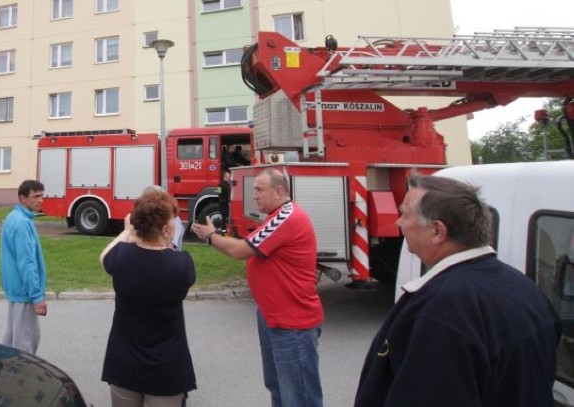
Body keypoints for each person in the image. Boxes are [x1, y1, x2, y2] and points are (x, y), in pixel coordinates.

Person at [353, 174, 562, 407]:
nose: (398, 223)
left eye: (404, 214)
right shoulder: (526, 289)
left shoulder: (439, 312)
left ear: (437, 231)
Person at [192, 168, 324, 407]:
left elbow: (240, 250)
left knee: (298, 397)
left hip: (291, 323)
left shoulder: (287, 217)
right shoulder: (276, 216)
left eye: (259, 189)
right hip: (274, 317)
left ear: (279, 191)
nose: (254, 195)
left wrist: (211, 237)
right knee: (280, 390)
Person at [100, 188, 197, 406]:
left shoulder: (121, 257)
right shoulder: (181, 265)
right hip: (167, 366)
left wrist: (127, 232)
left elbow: (104, 256)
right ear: (164, 229)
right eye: (173, 221)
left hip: (124, 362)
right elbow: (168, 252)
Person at [0, 179, 48, 355]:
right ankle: (19, 380)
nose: (40, 200)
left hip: (17, 290)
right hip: (24, 292)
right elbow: (27, 262)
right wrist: (36, 296)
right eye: (36, 196)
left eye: (42, 196)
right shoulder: (21, 223)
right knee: (26, 344)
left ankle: (1, 372)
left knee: (12, 339)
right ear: (23, 198)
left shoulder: (15, 217)